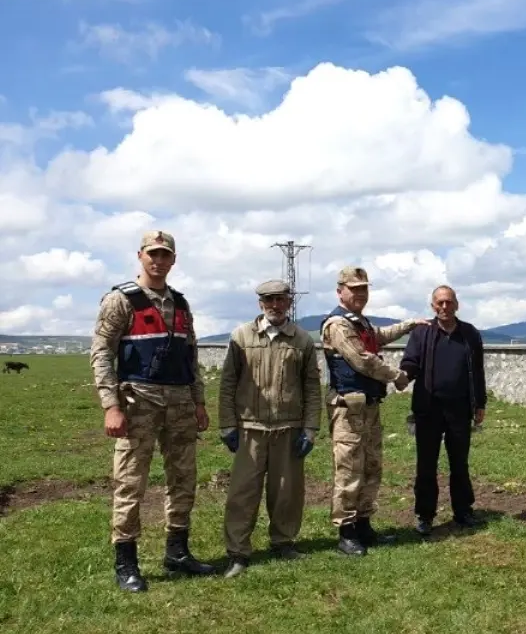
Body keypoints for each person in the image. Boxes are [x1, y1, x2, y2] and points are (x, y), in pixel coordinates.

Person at [89, 230, 217, 592]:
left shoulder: (180, 303)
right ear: (140, 255)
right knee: (130, 483)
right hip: (138, 403)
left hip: (179, 403)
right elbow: (101, 354)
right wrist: (111, 405)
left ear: (173, 260)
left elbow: (190, 357)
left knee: (183, 479)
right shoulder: (121, 301)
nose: (158, 261)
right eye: (153, 254)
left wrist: (199, 402)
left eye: (165, 255)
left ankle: (177, 551)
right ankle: (126, 562)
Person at [218, 279, 322, 577]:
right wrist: (227, 425)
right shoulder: (241, 336)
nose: (275, 305)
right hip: (250, 428)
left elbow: (312, 388)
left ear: (289, 302)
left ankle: (283, 542)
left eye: (280, 299)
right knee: (242, 493)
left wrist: (310, 428)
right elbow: (227, 383)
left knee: (287, 492)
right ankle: (238, 552)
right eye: (269, 300)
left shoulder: (301, 339)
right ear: (260, 304)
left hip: (288, 429)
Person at [321, 266, 428, 557]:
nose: (360, 294)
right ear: (340, 291)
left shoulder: (361, 323)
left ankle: (364, 524)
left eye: (364, 289)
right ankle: (346, 532)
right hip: (348, 410)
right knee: (349, 469)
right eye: (354, 289)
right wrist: (397, 376)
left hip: (368, 408)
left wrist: (409, 325)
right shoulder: (338, 324)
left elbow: (377, 336)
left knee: (371, 466)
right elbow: (362, 360)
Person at [400, 285, 487, 534]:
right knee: (426, 465)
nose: (445, 307)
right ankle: (425, 516)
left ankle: (463, 511)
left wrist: (480, 403)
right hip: (428, 410)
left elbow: (478, 371)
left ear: (456, 304)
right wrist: (404, 375)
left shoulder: (470, 333)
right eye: (440, 303)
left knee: (459, 463)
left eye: (449, 302)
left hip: (460, 409)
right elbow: (410, 361)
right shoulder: (421, 333)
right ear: (433, 306)